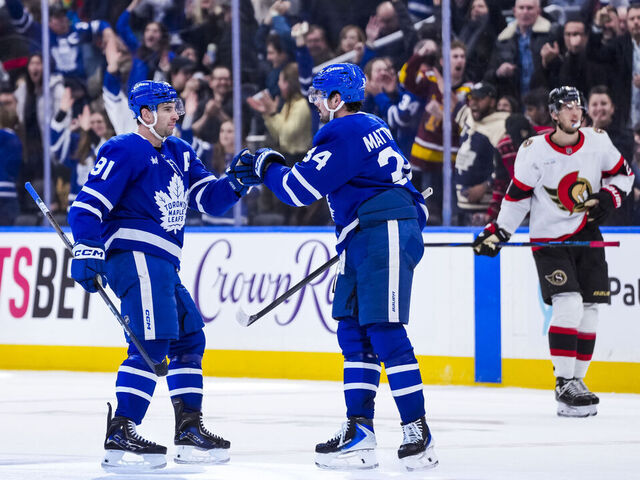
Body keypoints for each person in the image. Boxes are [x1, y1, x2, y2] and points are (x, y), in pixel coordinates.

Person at [245, 63, 437, 471]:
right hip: (367, 235)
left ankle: (417, 431)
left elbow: (298, 190)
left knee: (384, 330)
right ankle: (360, 432)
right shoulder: (371, 125)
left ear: (337, 100)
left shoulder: (343, 131)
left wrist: (266, 165)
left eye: (319, 96)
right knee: (353, 329)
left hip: (379, 232)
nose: (315, 103)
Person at [67, 80, 261, 470]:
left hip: (163, 263)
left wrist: (237, 182)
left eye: (177, 107)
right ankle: (121, 432)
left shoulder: (179, 152)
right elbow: (85, 208)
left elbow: (209, 200)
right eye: (168, 108)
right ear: (145, 114)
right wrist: (87, 247)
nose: (177, 114)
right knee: (152, 343)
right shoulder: (123, 149)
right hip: (134, 256)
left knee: (190, 338)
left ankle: (189, 428)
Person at [472, 86, 634, 417]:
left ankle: (577, 382)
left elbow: (624, 175)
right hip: (549, 240)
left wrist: (609, 198)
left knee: (590, 310)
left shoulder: (597, 141)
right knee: (569, 304)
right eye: (567, 107)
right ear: (554, 114)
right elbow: (517, 197)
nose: (575, 112)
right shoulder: (533, 151)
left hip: (587, 234)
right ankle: (563, 381)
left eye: (578, 106)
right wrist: (499, 231)